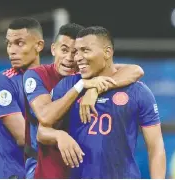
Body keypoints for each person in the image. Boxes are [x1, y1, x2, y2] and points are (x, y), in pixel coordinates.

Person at [23, 23, 144, 178]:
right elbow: (45, 118)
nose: (70, 58)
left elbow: (135, 70)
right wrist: (81, 87)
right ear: (53, 49)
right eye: (64, 50)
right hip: (46, 161)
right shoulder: (37, 76)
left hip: (82, 165)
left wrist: (95, 88)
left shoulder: (87, 73)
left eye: (76, 52)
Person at [49, 26, 166, 178]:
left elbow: (156, 147)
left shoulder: (138, 92)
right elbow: (42, 130)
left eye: (85, 50)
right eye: (77, 51)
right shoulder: (68, 86)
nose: (77, 57)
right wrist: (59, 135)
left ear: (107, 52)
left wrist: (95, 89)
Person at [0, 17, 44, 179]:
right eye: (8, 43)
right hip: (12, 174)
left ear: (39, 45)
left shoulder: (51, 79)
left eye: (19, 43)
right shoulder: (3, 82)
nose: (12, 50)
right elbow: (23, 137)